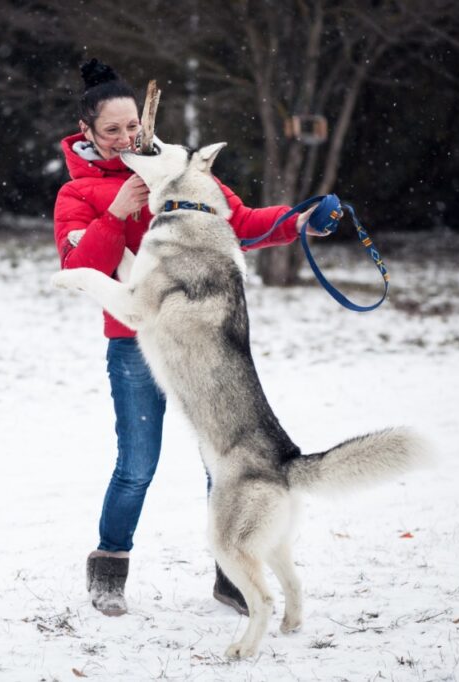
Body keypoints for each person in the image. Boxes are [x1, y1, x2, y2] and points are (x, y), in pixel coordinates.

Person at [53, 59, 328, 617]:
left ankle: (232, 576)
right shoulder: (77, 193)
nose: (126, 138)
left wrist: (298, 221)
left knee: (220, 461)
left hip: (201, 343)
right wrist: (116, 212)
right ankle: (109, 568)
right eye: (111, 130)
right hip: (135, 343)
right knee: (137, 464)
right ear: (87, 132)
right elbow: (81, 268)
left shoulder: (176, 169)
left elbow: (239, 222)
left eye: (133, 126)